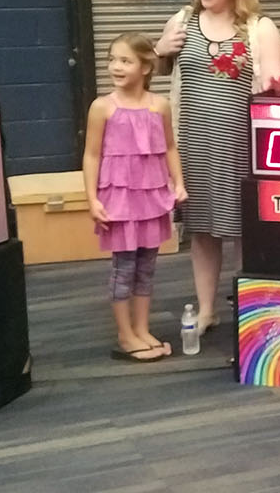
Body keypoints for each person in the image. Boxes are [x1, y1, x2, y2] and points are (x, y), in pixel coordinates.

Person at [154, 0, 280, 337]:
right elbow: (157, 68)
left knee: (246, 229)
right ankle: (207, 309)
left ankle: (249, 308)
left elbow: (274, 81)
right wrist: (160, 50)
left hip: (241, 146)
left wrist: (275, 85)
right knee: (202, 229)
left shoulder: (259, 28)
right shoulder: (182, 20)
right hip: (193, 144)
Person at [83, 33, 187, 363]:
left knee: (147, 267)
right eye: (112, 59)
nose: (116, 66)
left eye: (125, 61)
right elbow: (92, 155)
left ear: (145, 67)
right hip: (119, 201)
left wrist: (179, 183)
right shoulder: (102, 108)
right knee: (124, 267)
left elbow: (169, 147)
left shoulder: (160, 106)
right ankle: (125, 334)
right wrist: (92, 199)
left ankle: (142, 328)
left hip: (150, 199)